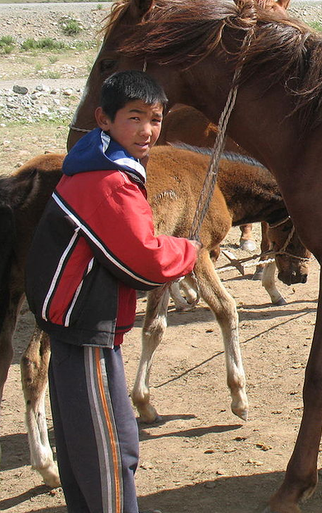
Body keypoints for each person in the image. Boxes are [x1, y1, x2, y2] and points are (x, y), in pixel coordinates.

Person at [25, 71, 200, 513]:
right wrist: (189, 250)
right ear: (103, 118)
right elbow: (146, 261)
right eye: (134, 117)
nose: (147, 130)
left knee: (84, 446)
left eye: (156, 119)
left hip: (71, 326)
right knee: (110, 450)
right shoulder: (109, 183)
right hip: (87, 331)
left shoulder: (94, 163)